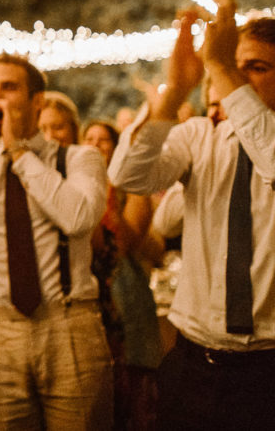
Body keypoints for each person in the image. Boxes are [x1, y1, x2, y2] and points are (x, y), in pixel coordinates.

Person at [108, 0, 275, 430]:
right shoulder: (198, 136)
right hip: (194, 364)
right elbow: (128, 177)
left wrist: (218, 61)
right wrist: (175, 90)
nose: (235, 81)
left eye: (255, 69)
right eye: (234, 69)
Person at [0, 54, 112, 429]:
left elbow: (78, 218)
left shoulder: (80, 158)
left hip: (69, 325)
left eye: (8, 87)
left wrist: (17, 150)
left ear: (38, 102)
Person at [83, 120, 161, 431]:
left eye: (104, 140)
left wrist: (107, 194)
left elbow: (127, 242)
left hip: (127, 291)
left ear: (115, 149)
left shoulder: (132, 188)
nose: (96, 144)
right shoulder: (72, 181)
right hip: (93, 293)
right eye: (89, 137)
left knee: (136, 391)